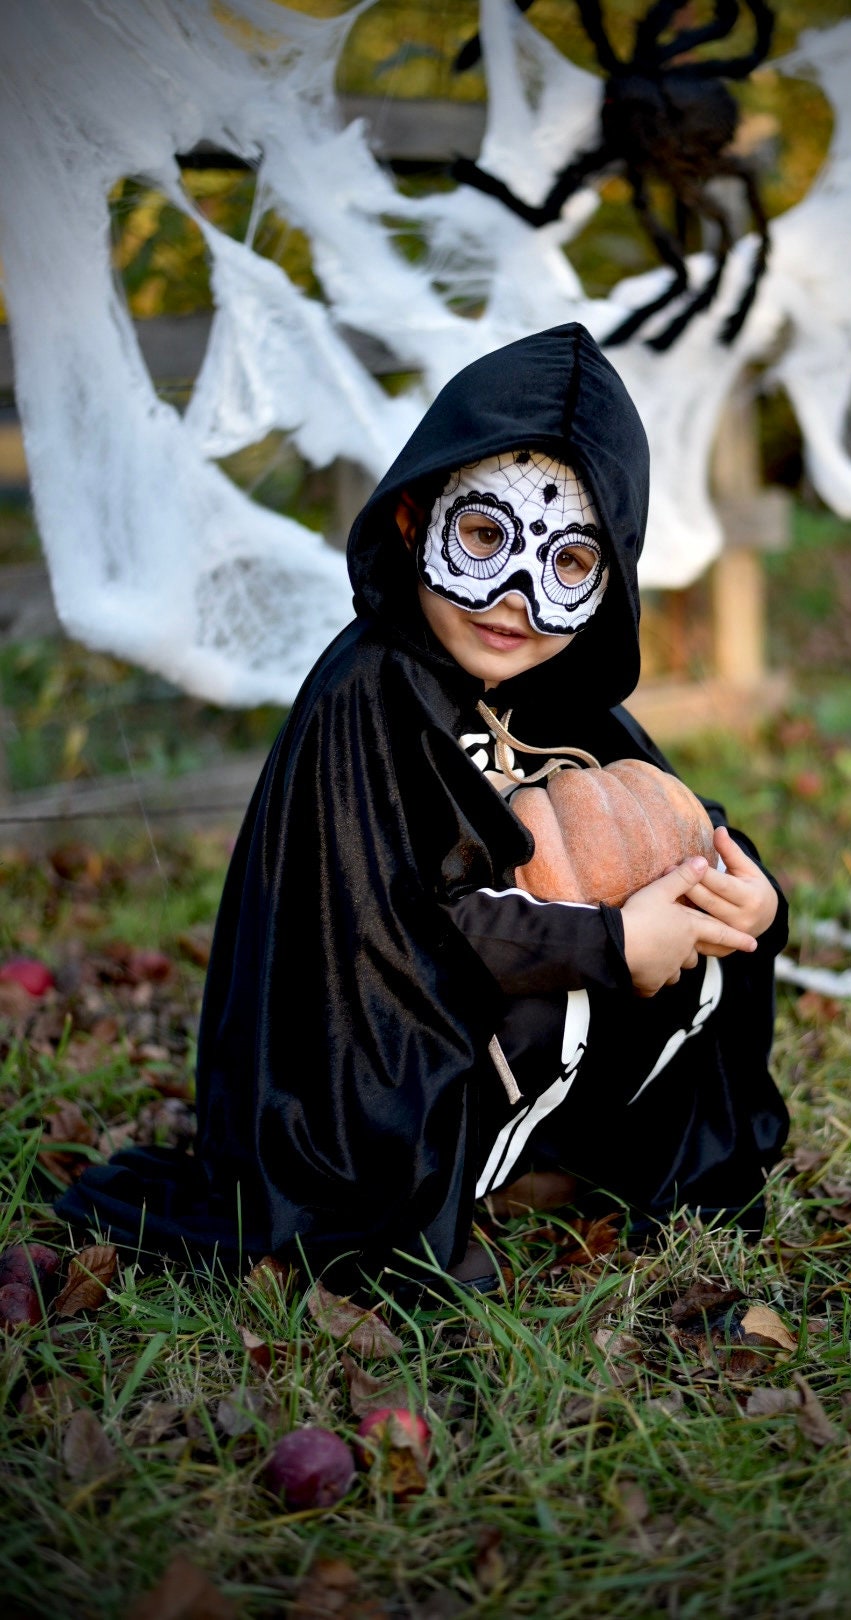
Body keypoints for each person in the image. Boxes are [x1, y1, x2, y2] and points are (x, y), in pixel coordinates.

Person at [58, 324, 788, 1291]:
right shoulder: (369, 693)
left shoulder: (561, 698)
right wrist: (609, 946)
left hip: (483, 1039)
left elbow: (676, 823)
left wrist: (749, 898)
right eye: (486, 537)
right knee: (586, 980)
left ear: (609, 580)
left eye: (568, 564)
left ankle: (543, 1159)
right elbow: (395, 936)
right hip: (350, 1091)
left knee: (706, 962)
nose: (518, 599)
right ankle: (441, 1186)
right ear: (414, 520)